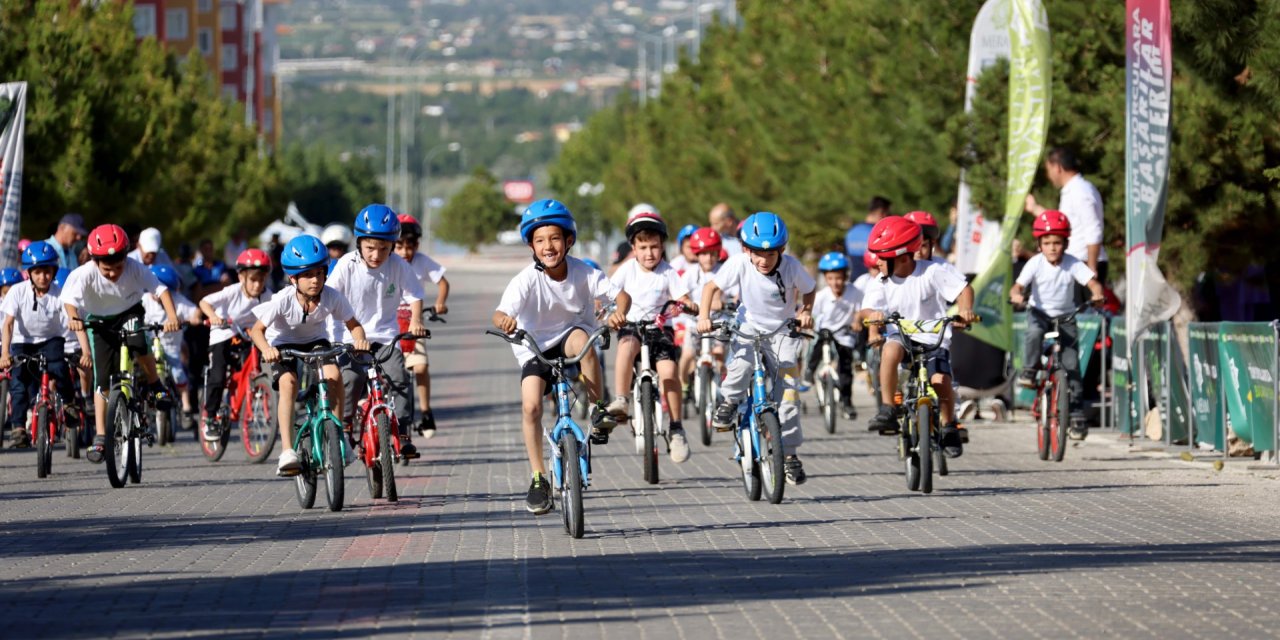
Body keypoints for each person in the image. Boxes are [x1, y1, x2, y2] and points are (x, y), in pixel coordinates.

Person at [492, 199, 630, 515]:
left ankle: (598, 410)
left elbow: (619, 295)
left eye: (555, 238)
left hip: (570, 338)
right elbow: (499, 314)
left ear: (569, 240)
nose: (548, 246)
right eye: (540, 240)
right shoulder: (525, 280)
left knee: (585, 340)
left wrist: (618, 313)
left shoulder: (584, 272)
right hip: (534, 346)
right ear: (531, 245)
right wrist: (506, 322)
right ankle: (538, 477)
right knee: (531, 406)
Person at [697, 212, 815, 486]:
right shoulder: (739, 263)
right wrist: (704, 317)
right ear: (746, 249)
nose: (764, 260)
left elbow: (809, 290)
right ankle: (729, 402)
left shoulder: (792, 267)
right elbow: (711, 287)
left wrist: (806, 311)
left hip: (782, 331)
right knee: (740, 364)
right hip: (747, 327)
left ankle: (790, 456)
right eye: (757, 253)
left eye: (771, 254)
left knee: (788, 396)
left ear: (782, 250)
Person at [248, 234, 368, 477]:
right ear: (293, 278)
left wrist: (359, 339)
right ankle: (286, 451)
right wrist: (267, 350)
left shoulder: (332, 295)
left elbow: (354, 324)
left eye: (319, 273)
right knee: (288, 383)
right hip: (282, 344)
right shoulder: (283, 300)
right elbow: (257, 331)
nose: (315, 280)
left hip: (316, 342)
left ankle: (340, 436)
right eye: (308, 275)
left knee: (334, 376)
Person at [62, 224, 181, 464]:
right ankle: (101, 435)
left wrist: (172, 317)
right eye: (107, 270)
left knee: (140, 342)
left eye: (118, 267)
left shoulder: (136, 268)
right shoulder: (84, 274)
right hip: (100, 321)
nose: (114, 274)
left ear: (126, 258)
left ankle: (155, 384)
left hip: (129, 313)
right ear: (96, 262)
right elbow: (69, 301)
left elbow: (161, 290)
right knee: (102, 380)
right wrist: (74, 319)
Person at [862, 216, 974, 458]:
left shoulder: (932, 272)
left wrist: (965, 310)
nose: (877, 262)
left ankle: (948, 424)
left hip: (934, 337)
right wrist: (874, 315)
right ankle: (888, 408)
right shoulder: (880, 280)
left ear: (902, 257)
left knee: (941, 380)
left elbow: (963, 290)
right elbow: (866, 309)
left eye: (883, 257)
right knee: (890, 351)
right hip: (902, 336)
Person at [328, 205, 430, 461]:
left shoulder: (397, 265)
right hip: (350, 338)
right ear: (359, 242)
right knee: (350, 380)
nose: (377, 254)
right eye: (370, 248)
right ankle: (347, 424)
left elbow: (415, 294)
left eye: (385, 248)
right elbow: (329, 297)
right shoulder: (346, 265)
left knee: (400, 379)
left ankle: (404, 434)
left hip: (385, 336)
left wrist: (415, 321)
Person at [603, 206, 696, 464]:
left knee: (668, 373)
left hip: (660, 330)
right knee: (625, 348)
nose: (649, 253)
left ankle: (676, 428)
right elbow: (608, 294)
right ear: (633, 248)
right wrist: (606, 311)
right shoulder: (626, 271)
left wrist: (688, 304)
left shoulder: (668, 272)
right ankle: (621, 399)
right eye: (643, 248)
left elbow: (682, 296)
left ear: (662, 246)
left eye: (654, 247)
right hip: (632, 326)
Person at [1010, 210, 1105, 438]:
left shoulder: (1072, 263)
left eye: (1057, 243)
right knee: (1033, 333)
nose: (1052, 247)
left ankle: (1075, 414)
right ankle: (1030, 370)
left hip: (1067, 317)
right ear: (1039, 244)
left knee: (1072, 365)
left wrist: (1098, 294)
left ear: (1066, 243)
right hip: (1039, 313)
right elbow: (1018, 286)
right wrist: (1016, 295)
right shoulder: (1034, 263)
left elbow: (1093, 283)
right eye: (1047, 243)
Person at [0, 242, 86, 448]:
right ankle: (18, 428)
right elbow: (8, 324)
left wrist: (86, 352)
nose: (42, 277)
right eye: (37, 272)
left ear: (54, 271)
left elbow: (76, 324)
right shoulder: (17, 292)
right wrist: (5, 353)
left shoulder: (60, 294)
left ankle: (69, 404)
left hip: (51, 340)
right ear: (29, 273)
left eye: (47, 272)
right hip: (23, 342)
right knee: (19, 385)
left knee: (60, 368)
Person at [198, 249, 272, 441]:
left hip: (248, 335)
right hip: (223, 332)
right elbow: (204, 302)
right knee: (218, 374)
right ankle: (211, 418)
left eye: (261, 280)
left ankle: (252, 391)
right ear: (241, 277)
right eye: (253, 280)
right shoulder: (232, 291)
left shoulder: (268, 296)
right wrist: (213, 316)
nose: (257, 285)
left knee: (259, 361)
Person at [393, 214, 450, 438]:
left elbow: (443, 282)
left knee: (420, 366)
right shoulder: (388, 262)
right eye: (399, 246)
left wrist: (439, 304)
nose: (405, 252)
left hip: (413, 322)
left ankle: (426, 411)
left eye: (411, 246)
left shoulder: (422, 261)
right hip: (389, 323)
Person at [1024, 147, 1108, 289]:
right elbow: (1061, 222)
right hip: (1076, 263)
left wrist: (1091, 268)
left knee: (1081, 311)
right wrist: (1034, 208)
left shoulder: (1080, 191)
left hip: (1084, 263)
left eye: (1048, 170)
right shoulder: (1073, 190)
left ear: (1057, 167)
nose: (1048, 175)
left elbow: (1093, 229)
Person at [804, 252, 863, 421]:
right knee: (816, 347)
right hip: (826, 332)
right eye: (830, 279)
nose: (835, 282)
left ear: (845, 277)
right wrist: (809, 327)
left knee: (845, 368)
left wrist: (857, 321)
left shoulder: (855, 292)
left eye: (838, 278)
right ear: (825, 278)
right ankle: (810, 370)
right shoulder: (822, 296)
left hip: (844, 334)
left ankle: (847, 402)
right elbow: (812, 314)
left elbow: (859, 310)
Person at [143, 264, 199, 420]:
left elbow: (195, 311)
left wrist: (192, 318)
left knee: (178, 371)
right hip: (150, 343)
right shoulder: (145, 300)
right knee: (140, 369)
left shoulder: (178, 300)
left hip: (170, 345)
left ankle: (186, 404)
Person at [677, 228, 726, 391]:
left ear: (718, 254)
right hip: (694, 323)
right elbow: (680, 293)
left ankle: (722, 385)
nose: (709, 258)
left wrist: (727, 302)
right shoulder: (690, 274)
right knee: (688, 355)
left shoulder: (724, 271)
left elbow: (736, 293)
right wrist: (686, 302)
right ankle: (682, 383)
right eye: (704, 254)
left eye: (713, 254)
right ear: (697, 254)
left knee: (719, 353)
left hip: (718, 322)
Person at [844, 196, 891, 279]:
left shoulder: (851, 232)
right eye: (888, 214)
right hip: (875, 281)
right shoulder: (879, 233)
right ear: (882, 212)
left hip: (855, 281)